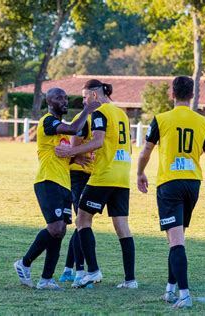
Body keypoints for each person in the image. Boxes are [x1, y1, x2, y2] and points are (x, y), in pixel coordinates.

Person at [137, 76, 205, 309]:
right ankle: (169, 289)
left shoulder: (162, 119)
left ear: (172, 94)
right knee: (176, 237)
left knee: (176, 241)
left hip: (170, 183)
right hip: (192, 184)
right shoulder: (203, 122)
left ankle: (184, 295)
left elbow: (146, 150)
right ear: (192, 95)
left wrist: (139, 172)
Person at [55, 79, 137, 289]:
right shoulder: (122, 114)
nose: (84, 102)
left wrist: (71, 152)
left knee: (82, 220)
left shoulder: (99, 113)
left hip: (104, 175)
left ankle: (92, 271)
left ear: (93, 95)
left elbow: (99, 141)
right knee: (122, 228)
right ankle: (130, 280)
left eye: (84, 97)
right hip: (122, 175)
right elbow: (129, 149)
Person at [13, 88, 97, 290]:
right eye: (59, 98)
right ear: (49, 102)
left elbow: (59, 153)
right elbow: (74, 129)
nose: (64, 101)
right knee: (55, 228)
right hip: (47, 182)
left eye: (66, 98)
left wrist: (76, 157)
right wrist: (87, 110)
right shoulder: (48, 121)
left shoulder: (59, 132)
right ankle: (24, 263)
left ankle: (46, 279)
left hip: (63, 184)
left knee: (60, 232)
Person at [58, 110, 94, 288]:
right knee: (82, 223)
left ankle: (67, 270)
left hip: (92, 176)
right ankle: (80, 273)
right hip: (78, 176)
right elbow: (73, 148)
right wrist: (77, 154)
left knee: (82, 223)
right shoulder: (84, 120)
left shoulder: (103, 118)